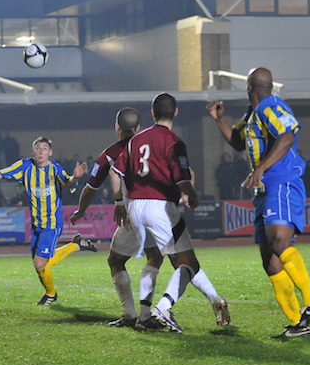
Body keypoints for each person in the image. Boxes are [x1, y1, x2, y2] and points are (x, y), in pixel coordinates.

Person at [71, 107, 230, 330]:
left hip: (131, 214)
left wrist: (85, 210)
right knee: (178, 262)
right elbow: (188, 173)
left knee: (122, 260)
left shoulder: (110, 153)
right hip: (158, 210)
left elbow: (93, 186)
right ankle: (204, 300)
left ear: (117, 127)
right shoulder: (152, 142)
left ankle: (134, 315)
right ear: (138, 127)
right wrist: (188, 192)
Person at [208, 67, 310, 338]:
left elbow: (287, 136)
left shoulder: (271, 106)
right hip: (264, 189)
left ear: (249, 87)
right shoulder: (253, 114)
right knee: (270, 260)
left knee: (278, 243)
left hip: (281, 182)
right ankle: (297, 323)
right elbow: (238, 141)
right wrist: (220, 120)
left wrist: (261, 168)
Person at [108, 93, 216, 334]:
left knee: (151, 258)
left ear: (152, 113)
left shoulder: (136, 140)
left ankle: (142, 316)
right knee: (187, 263)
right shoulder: (173, 141)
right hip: (159, 207)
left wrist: (119, 201)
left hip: (135, 208)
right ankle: (167, 307)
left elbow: (118, 170)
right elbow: (182, 177)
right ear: (175, 112)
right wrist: (192, 195)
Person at [0, 136, 96, 305]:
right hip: (36, 224)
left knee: (40, 263)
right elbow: (1, 173)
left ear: (50, 152)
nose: (41, 151)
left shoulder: (55, 169)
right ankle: (75, 246)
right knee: (39, 265)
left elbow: (69, 185)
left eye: (44, 148)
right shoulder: (25, 166)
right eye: (38, 148)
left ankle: (50, 294)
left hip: (52, 224)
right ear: (33, 151)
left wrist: (76, 177)